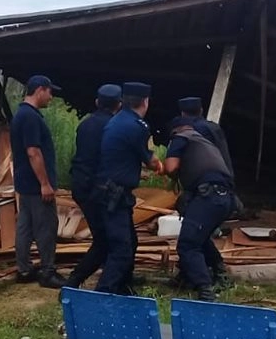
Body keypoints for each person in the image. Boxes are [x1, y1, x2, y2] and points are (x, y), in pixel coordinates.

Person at [93, 82, 163, 294]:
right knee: (122, 249)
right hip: (115, 194)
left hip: (108, 191)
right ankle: (102, 295)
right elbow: (150, 161)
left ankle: (123, 286)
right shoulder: (136, 126)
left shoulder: (117, 121)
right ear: (145, 101)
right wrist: (161, 166)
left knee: (129, 242)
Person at [163, 116, 237, 301]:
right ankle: (219, 273)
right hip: (226, 198)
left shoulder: (181, 138)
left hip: (208, 198)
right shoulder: (205, 142)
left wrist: (156, 166)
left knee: (187, 244)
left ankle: (205, 289)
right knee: (200, 237)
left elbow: (171, 167)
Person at [10, 75, 67, 288]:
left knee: (24, 226)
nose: (51, 97)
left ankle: (24, 269)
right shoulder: (31, 117)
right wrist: (44, 183)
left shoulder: (21, 114)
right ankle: (47, 271)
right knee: (46, 227)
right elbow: (33, 152)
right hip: (36, 185)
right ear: (40, 90)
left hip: (25, 183)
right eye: (50, 92)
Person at [65, 84, 122, 288]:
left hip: (80, 184)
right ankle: (75, 280)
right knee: (105, 240)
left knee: (104, 237)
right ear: (119, 105)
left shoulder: (85, 125)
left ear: (97, 102)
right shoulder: (113, 127)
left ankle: (111, 278)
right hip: (97, 189)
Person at [175, 97, 234, 286]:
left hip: (203, 191)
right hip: (224, 188)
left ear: (182, 113)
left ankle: (204, 284)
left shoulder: (189, 132)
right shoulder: (214, 128)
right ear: (201, 110)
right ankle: (217, 273)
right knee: (200, 234)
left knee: (190, 240)